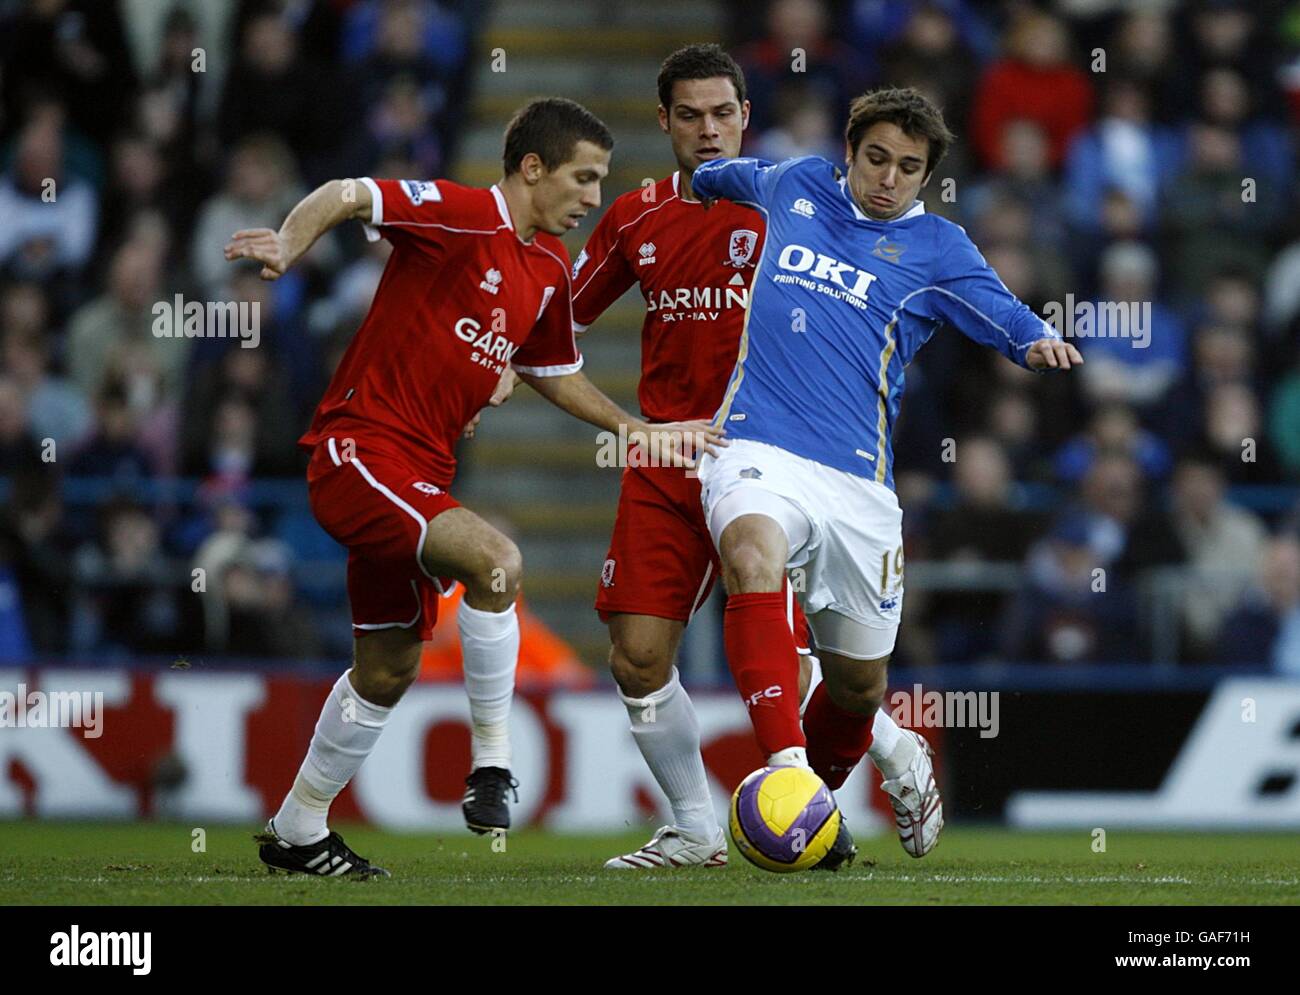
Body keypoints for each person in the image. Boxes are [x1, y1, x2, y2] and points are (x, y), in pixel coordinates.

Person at [224, 97, 721, 878]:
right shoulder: (459, 214)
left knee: (387, 669)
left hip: (416, 477)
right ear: (533, 167)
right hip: (359, 453)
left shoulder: (550, 268)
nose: (594, 198)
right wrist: (291, 239)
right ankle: (493, 764)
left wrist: (628, 427)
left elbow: (553, 370)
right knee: (497, 561)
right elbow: (353, 192)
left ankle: (297, 828)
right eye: (583, 178)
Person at [692, 86, 1083, 859]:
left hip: (860, 485)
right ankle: (788, 769)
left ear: (926, 175)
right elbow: (719, 177)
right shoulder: (793, 184)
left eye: (908, 167)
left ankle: (873, 771)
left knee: (857, 688)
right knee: (750, 556)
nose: (888, 178)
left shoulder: (938, 247)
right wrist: (695, 174)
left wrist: (1038, 338)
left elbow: (1002, 311)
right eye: (876, 158)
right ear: (849, 152)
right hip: (753, 447)